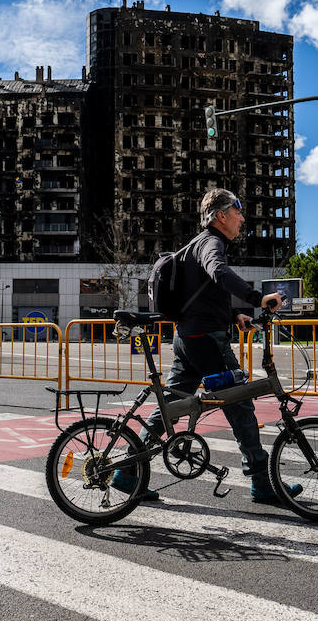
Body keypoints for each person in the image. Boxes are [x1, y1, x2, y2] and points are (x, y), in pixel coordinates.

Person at [113, 188, 300, 505]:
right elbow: (219, 271)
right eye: (238, 210)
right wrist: (257, 299)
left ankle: (128, 472)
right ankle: (261, 482)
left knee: (168, 408)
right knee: (240, 403)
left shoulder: (194, 246)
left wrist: (232, 315)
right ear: (222, 215)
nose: (242, 217)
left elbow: (197, 299)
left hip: (187, 339)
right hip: (207, 342)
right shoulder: (212, 244)